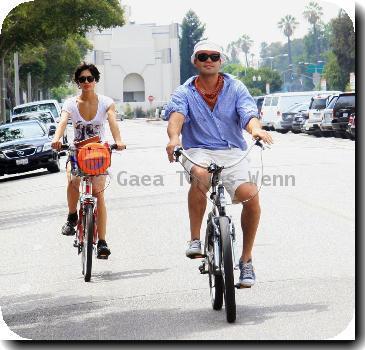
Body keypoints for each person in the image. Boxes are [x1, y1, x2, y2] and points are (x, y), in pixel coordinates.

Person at [165, 41, 273, 288]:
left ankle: (246, 261)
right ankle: (194, 240)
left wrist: (256, 129)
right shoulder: (184, 92)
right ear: (195, 61)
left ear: (221, 60)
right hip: (198, 150)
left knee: (251, 197)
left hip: (232, 151)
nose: (209, 60)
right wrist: (174, 138)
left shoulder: (235, 87)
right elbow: (176, 117)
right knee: (201, 175)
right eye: (203, 56)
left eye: (214, 56)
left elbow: (247, 113)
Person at [51, 62, 126, 259]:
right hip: (77, 151)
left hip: (98, 152)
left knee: (99, 193)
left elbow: (112, 121)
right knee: (72, 180)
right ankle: (71, 216)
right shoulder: (70, 104)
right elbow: (62, 122)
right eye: (82, 79)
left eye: (90, 79)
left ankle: (102, 242)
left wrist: (117, 141)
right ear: (77, 82)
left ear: (95, 81)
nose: (86, 82)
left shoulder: (106, 102)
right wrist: (57, 139)